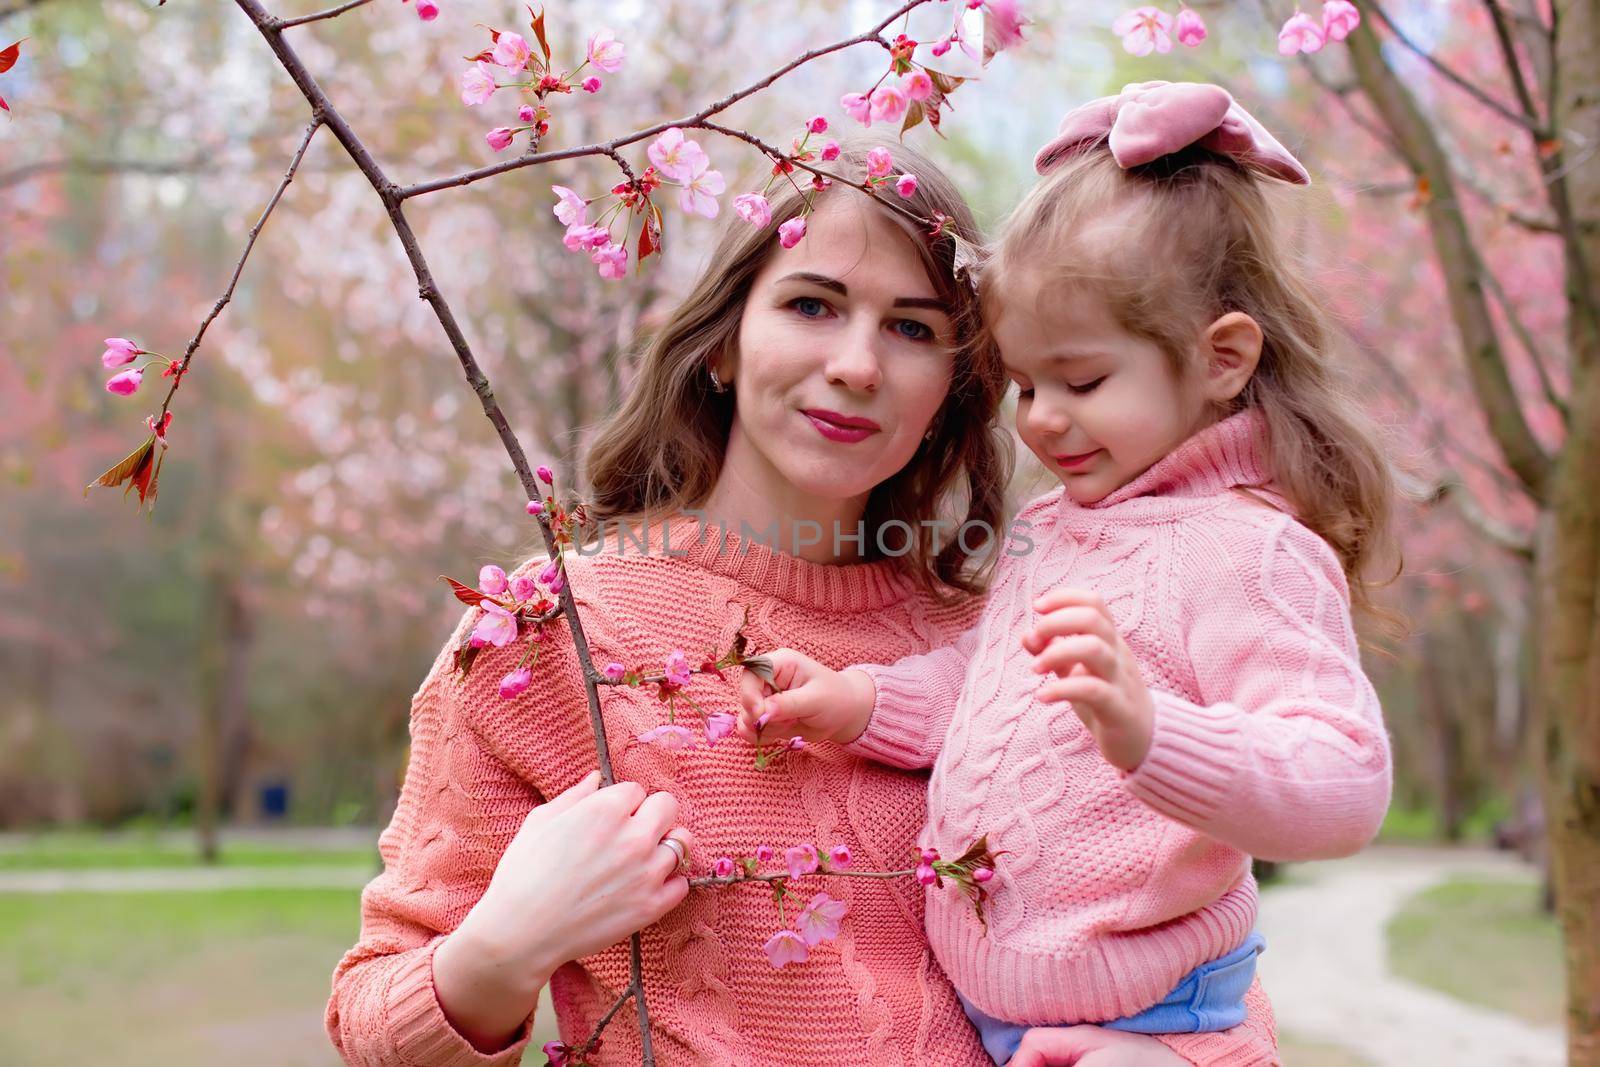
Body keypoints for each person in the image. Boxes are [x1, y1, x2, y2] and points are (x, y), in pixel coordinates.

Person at [738, 84, 1395, 1066]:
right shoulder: (1059, 526)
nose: (1041, 419)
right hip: (998, 1011)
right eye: (1027, 384)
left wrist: (1152, 732)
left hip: (1150, 1022)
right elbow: (993, 687)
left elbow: (1344, 781)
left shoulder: (1248, 547)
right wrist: (863, 701)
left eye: (1081, 382)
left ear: (1220, 359)